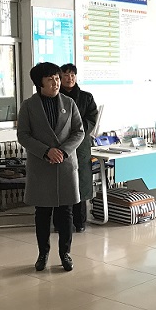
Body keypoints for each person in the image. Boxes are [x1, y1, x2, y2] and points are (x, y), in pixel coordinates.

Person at [17, 62, 84, 272]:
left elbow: (79, 132)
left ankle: (65, 253)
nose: (56, 83)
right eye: (50, 80)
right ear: (40, 83)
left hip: (65, 164)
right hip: (41, 165)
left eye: (57, 78)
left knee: (66, 212)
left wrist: (63, 151)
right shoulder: (29, 106)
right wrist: (46, 151)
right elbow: (23, 135)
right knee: (42, 213)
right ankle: (43, 253)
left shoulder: (69, 103)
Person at [59, 63, 98, 232]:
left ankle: (80, 222)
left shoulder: (86, 97)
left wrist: (78, 132)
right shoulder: (55, 97)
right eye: (66, 75)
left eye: (72, 75)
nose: (70, 78)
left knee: (81, 181)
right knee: (62, 183)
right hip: (61, 144)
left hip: (81, 144)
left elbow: (92, 118)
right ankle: (61, 223)